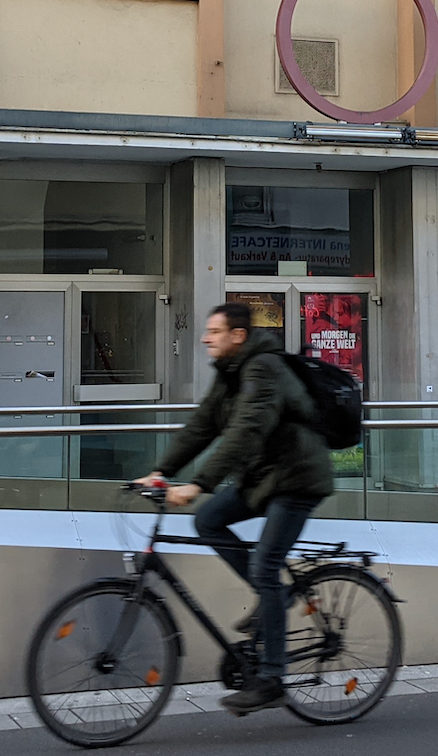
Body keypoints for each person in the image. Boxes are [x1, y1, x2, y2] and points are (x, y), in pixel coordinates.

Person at [136, 302, 334, 716]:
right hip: (263, 478)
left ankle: (272, 679)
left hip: (296, 479)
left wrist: (198, 484)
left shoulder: (263, 369)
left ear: (238, 336)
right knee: (207, 519)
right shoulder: (230, 373)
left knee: (264, 565)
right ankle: (276, 596)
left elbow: (247, 430)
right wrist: (160, 471)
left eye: (214, 331)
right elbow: (202, 425)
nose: (206, 338)